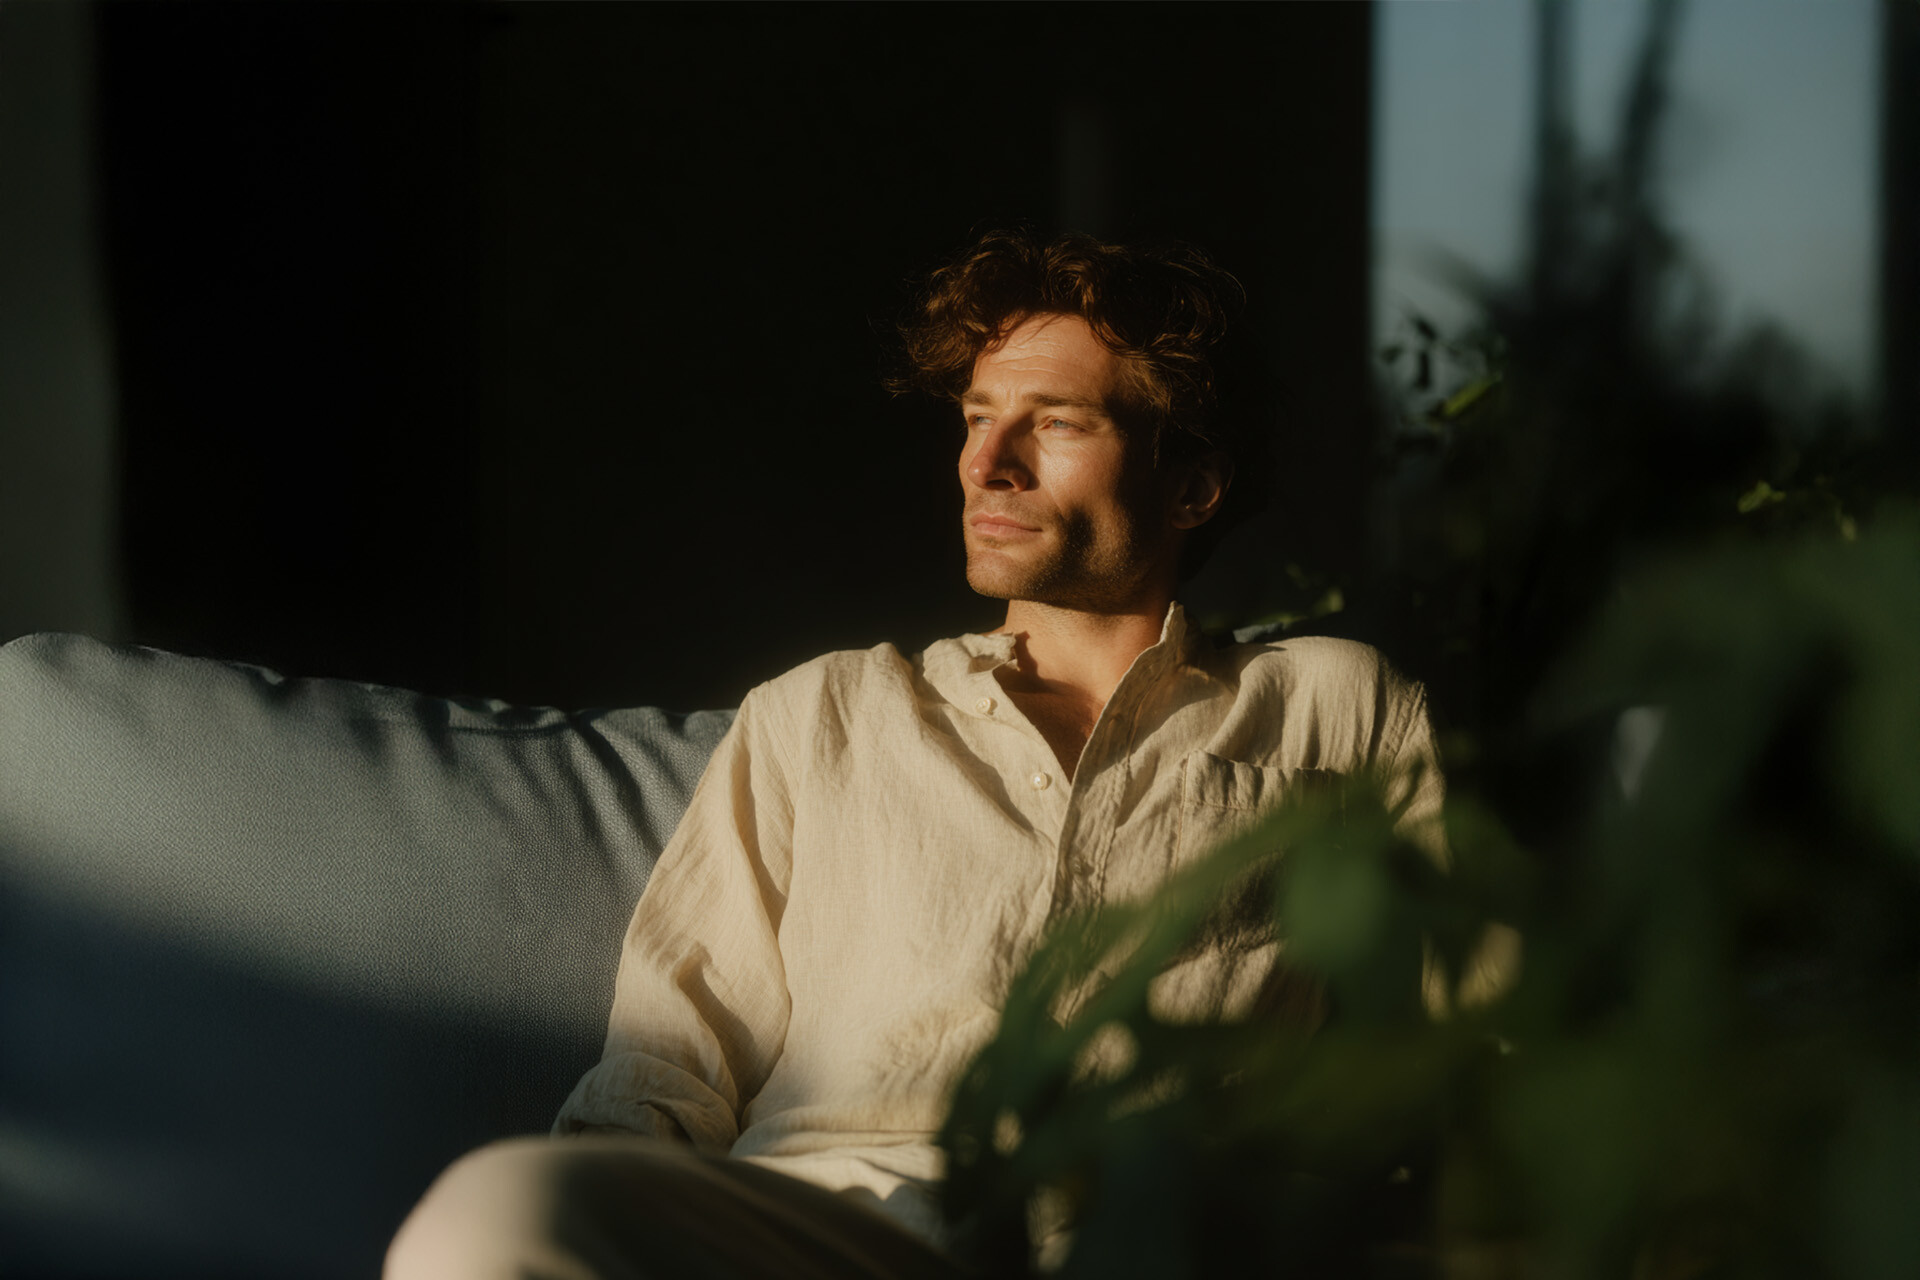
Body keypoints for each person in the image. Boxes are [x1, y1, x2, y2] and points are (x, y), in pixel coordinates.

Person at [385, 229, 1444, 1279]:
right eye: (978, 419)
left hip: (1165, 1237)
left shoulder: (1340, 709)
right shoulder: (823, 713)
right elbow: (663, 1074)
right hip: (849, 1230)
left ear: (1193, 486)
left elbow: (1466, 1048)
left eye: (1055, 422)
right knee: (496, 1210)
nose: (986, 463)